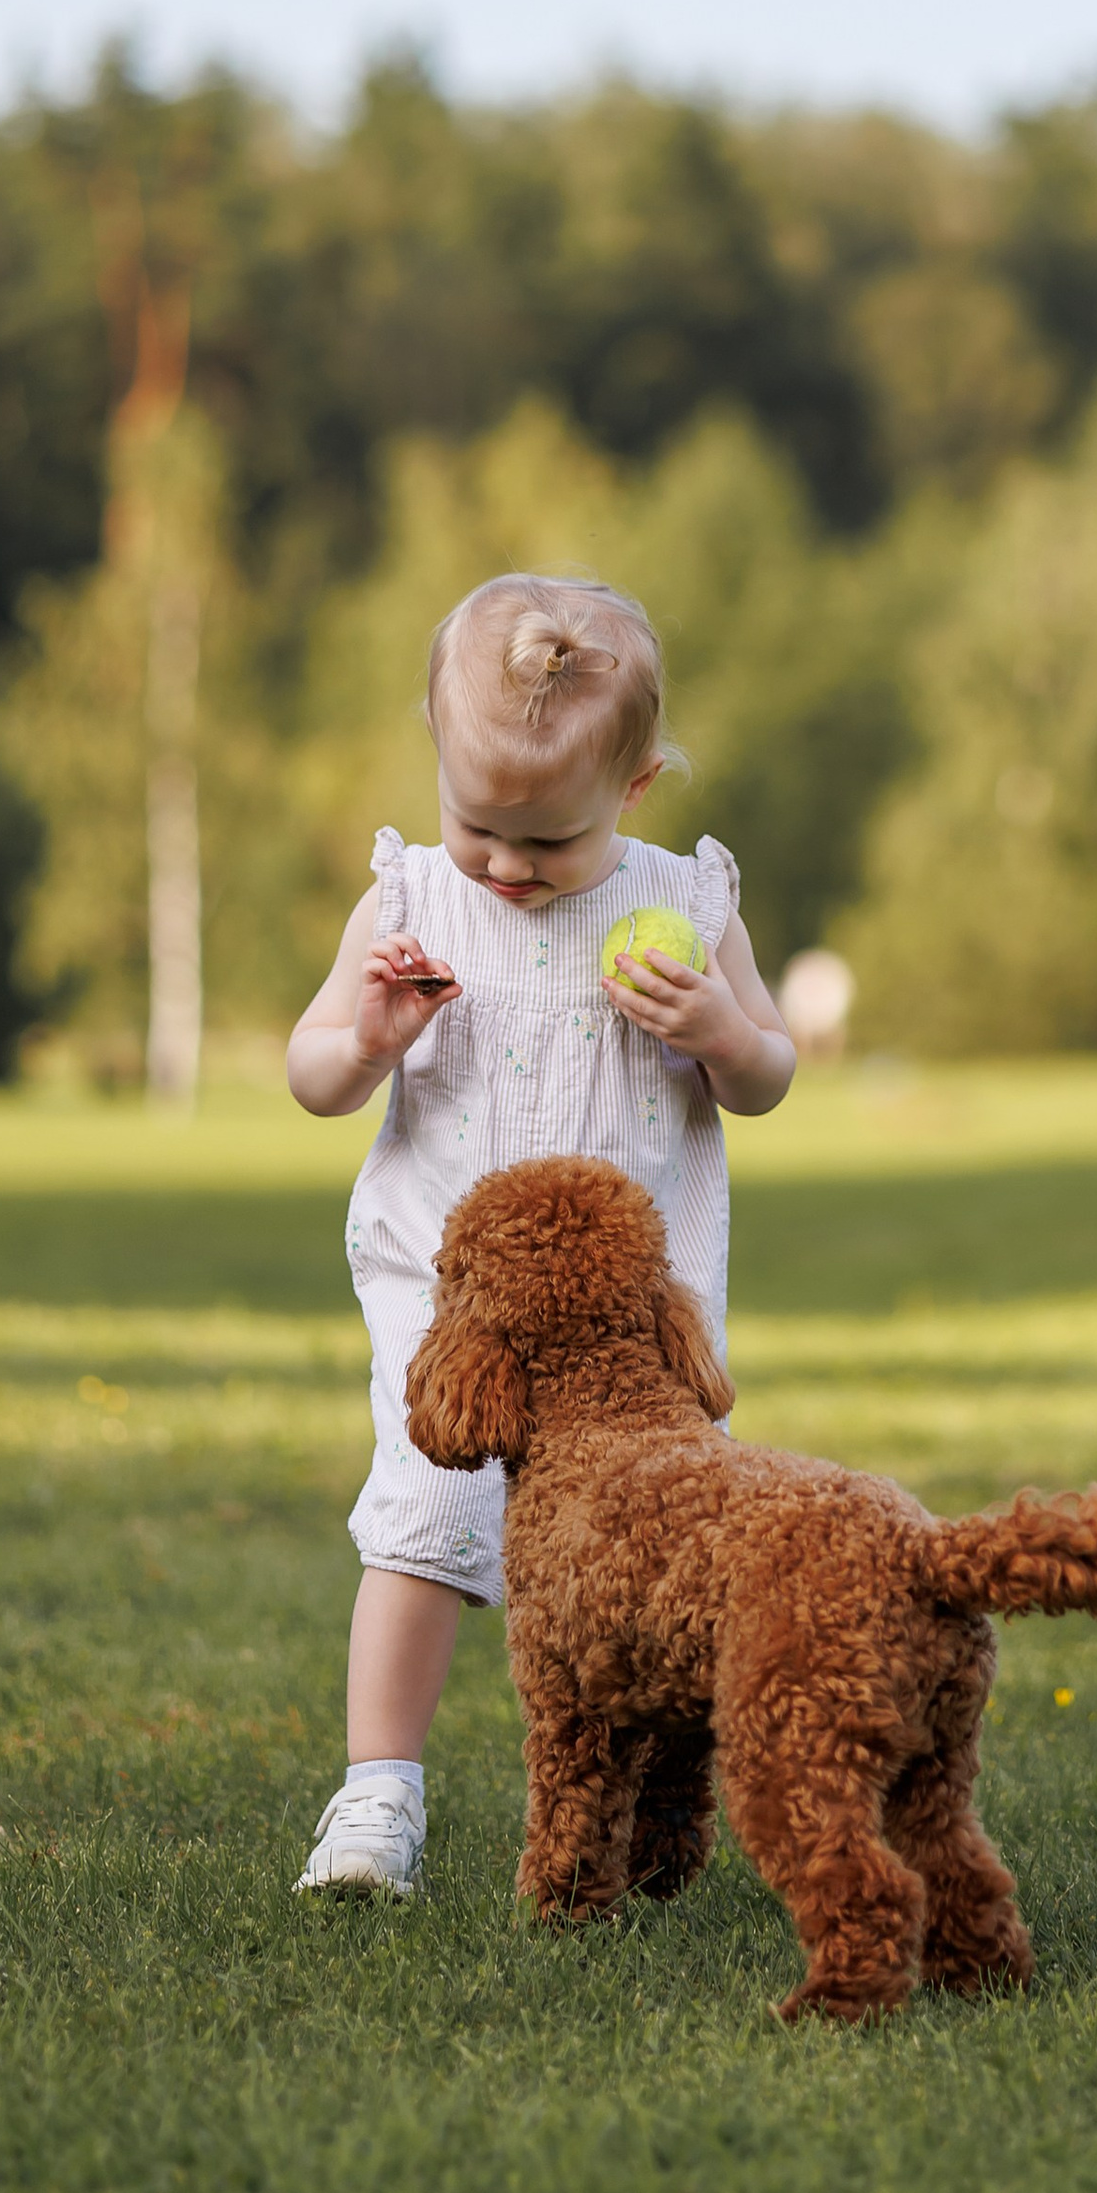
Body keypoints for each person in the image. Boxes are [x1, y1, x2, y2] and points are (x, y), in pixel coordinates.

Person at [284, 571, 796, 1895]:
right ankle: (377, 1795)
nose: (507, 870)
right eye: (478, 829)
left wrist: (717, 1034)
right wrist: (372, 1039)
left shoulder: (687, 907)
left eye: (548, 845)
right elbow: (312, 1071)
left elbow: (768, 1073)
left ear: (633, 793)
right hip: (452, 1293)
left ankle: (635, 1809)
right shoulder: (408, 905)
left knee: (651, 1531)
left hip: (633, 1304)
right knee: (429, 1507)